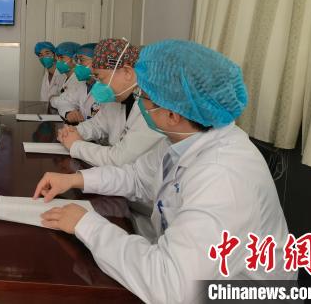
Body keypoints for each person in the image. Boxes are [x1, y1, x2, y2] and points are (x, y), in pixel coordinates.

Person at [34, 39, 294, 303]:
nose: (140, 104)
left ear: (173, 115)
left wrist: (87, 225)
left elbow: (171, 286)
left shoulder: (223, 176)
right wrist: (75, 179)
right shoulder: (183, 139)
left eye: (144, 97)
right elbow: (136, 177)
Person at [57, 38, 164, 167]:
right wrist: (74, 131)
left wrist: (76, 145)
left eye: (100, 78)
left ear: (127, 72)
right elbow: (97, 125)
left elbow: (120, 158)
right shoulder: (118, 97)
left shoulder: (152, 107)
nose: (98, 85)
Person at [50, 43, 98, 122]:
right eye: (77, 60)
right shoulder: (84, 85)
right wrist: (68, 112)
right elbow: (62, 101)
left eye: (81, 60)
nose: (77, 65)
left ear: (97, 62)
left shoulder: (105, 90)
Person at [49, 41, 80, 118]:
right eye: (57, 58)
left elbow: (66, 102)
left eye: (61, 57)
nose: (58, 61)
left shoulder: (78, 80)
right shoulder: (67, 77)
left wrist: (52, 98)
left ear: (75, 59)